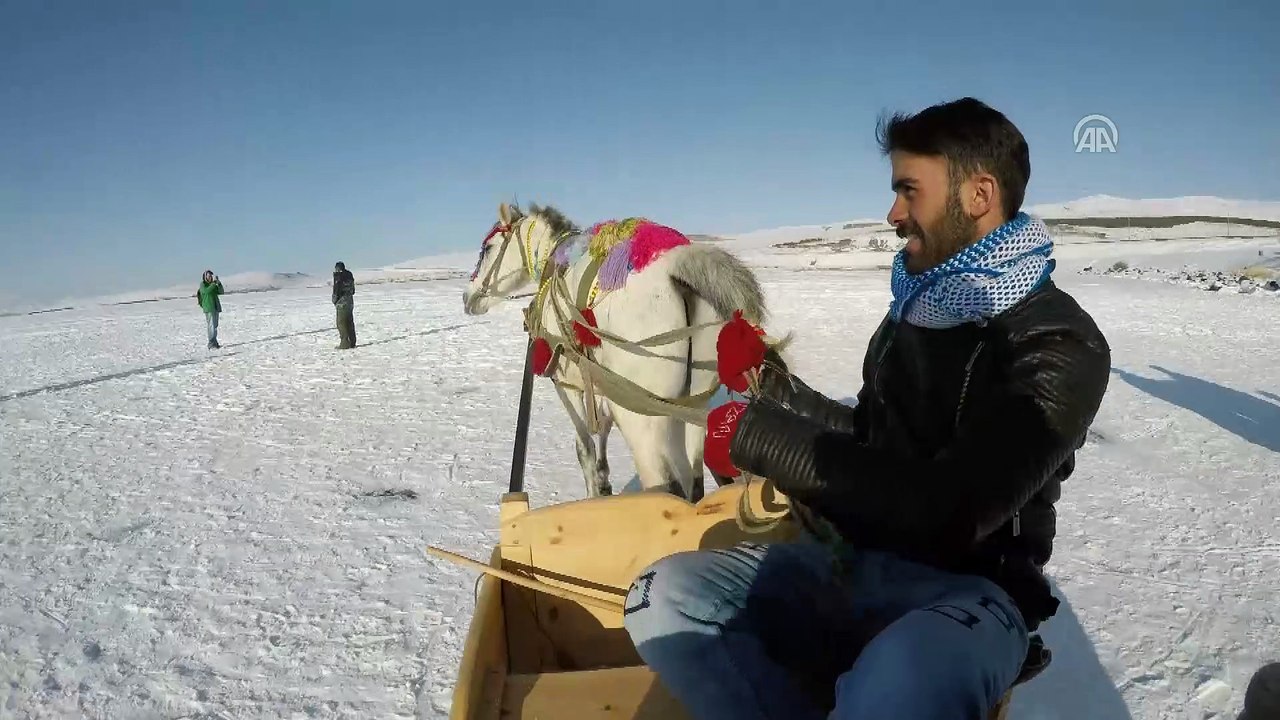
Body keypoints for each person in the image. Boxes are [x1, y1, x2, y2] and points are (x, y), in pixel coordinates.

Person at [622, 97, 1113, 719]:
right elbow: (872, 435)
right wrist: (769, 386)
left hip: (966, 592)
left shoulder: (1057, 341)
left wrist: (757, 436)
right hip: (847, 562)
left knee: (903, 675)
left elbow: (952, 508)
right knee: (659, 597)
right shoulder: (911, 312)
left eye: (909, 191)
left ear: (979, 194)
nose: (893, 214)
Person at [196, 270, 224, 349]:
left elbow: (221, 292)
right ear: (205, 277)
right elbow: (206, 291)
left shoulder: (213, 285)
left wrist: (218, 283)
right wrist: (213, 284)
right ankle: (211, 344)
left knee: (215, 326)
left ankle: (215, 342)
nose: (210, 277)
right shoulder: (203, 284)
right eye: (209, 276)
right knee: (211, 326)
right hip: (209, 307)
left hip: (215, 307)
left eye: (211, 276)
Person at [332, 261, 356, 349]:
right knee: (349, 322)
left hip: (342, 303)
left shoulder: (338, 276)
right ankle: (352, 342)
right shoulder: (349, 275)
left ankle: (345, 343)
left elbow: (337, 290)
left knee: (341, 323)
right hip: (350, 301)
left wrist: (334, 300)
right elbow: (353, 290)